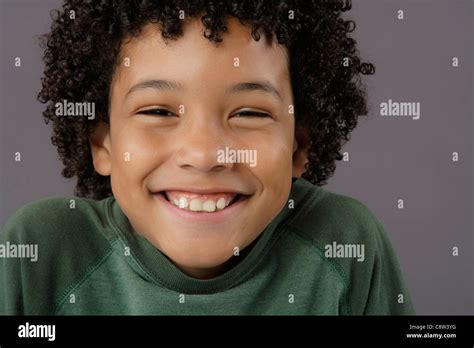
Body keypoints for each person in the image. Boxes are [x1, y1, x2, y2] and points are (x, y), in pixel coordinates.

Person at [0, 0, 415, 315]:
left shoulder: (344, 244)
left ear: (298, 146)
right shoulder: (41, 253)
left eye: (250, 113)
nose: (204, 155)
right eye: (158, 112)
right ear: (102, 143)